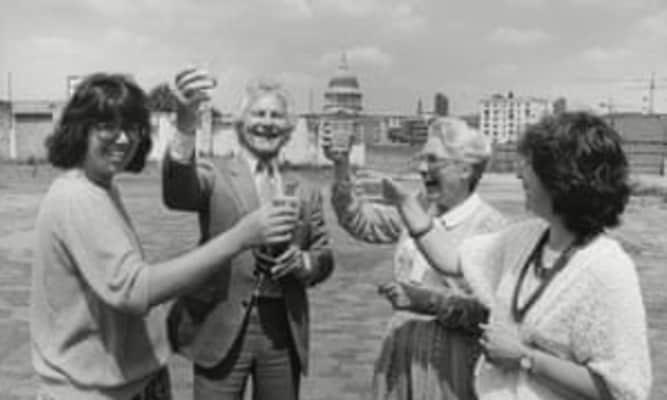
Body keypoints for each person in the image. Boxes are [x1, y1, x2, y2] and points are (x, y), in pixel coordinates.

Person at [31, 73, 299, 400]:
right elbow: (135, 287)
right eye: (106, 126)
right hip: (97, 387)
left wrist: (306, 263)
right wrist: (241, 236)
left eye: (131, 127)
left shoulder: (100, 187)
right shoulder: (78, 196)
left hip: (129, 375)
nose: (122, 139)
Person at [384, 111, 652, 399]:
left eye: (531, 165)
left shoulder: (607, 270)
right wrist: (407, 206)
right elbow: (452, 260)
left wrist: (526, 358)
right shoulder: (526, 238)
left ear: (560, 177)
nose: (519, 174)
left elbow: (622, 389)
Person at [163, 68, 334, 400]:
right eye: (259, 114)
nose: (267, 123)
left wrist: (304, 263)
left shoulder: (306, 190)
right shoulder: (215, 175)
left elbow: (324, 256)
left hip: (282, 329)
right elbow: (177, 193)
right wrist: (185, 126)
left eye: (276, 116)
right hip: (220, 326)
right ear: (240, 124)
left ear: (288, 129)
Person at [323, 117, 506, 399]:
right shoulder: (418, 207)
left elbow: (490, 315)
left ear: (465, 169)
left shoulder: (491, 228)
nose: (422, 168)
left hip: (451, 368)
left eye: (433, 160)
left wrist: (427, 301)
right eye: (422, 159)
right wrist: (341, 166)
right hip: (400, 358)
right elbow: (360, 222)